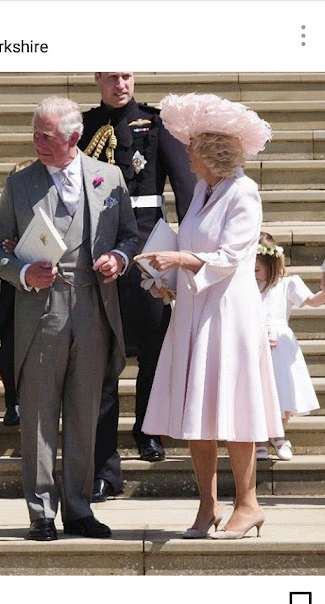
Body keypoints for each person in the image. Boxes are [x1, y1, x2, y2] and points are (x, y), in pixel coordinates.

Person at [0, 96, 139, 541]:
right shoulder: (20, 184)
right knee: (37, 415)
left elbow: (130, 235)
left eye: (46, 136)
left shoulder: (108, 177)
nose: (37, 142)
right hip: (42, 311)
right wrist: (22, 271)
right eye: (34, 133)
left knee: (84, 413)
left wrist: (118, 258)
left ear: (74, 137)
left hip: (94, 308)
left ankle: (78, 509)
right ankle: (39, 513)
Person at [137, 93, 284, 540]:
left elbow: (230, 256)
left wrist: (179, 259)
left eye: (191, 146)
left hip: (229, 315)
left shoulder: (244, 191)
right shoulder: (204, 189)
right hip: (196, 312)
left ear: (210, 152)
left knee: (235, 410)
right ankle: (207, 507)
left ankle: (248, 504)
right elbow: (198, 247)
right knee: (197, 412)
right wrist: (169, 280)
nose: (185, 153)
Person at [78, 72, 196, 501]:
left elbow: (184, 190)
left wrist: (188, 252)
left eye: (126, 75)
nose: (120, 84)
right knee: (102, 362)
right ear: (98, 80)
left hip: (149, 252)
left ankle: (148, 430)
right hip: (100, 253)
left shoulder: (156, 123)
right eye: (111, 76)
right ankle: (103, 467)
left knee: (152, 349)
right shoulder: (85, 126)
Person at [255, 232, 325, 461]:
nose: (254, 275)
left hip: (280, 344)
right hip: (255, 341)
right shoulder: (246, 286)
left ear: (271, 264)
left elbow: (312, 301)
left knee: (283, 388)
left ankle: (279, 434)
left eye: (257, 269)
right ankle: (260, 437)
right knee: (259, 389)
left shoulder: (287, 283)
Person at [0, 159, 36, 427]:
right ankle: (13, 402)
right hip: (12, 299)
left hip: (42, 296)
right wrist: (7, 252)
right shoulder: (5, 217)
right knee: (9, 352)